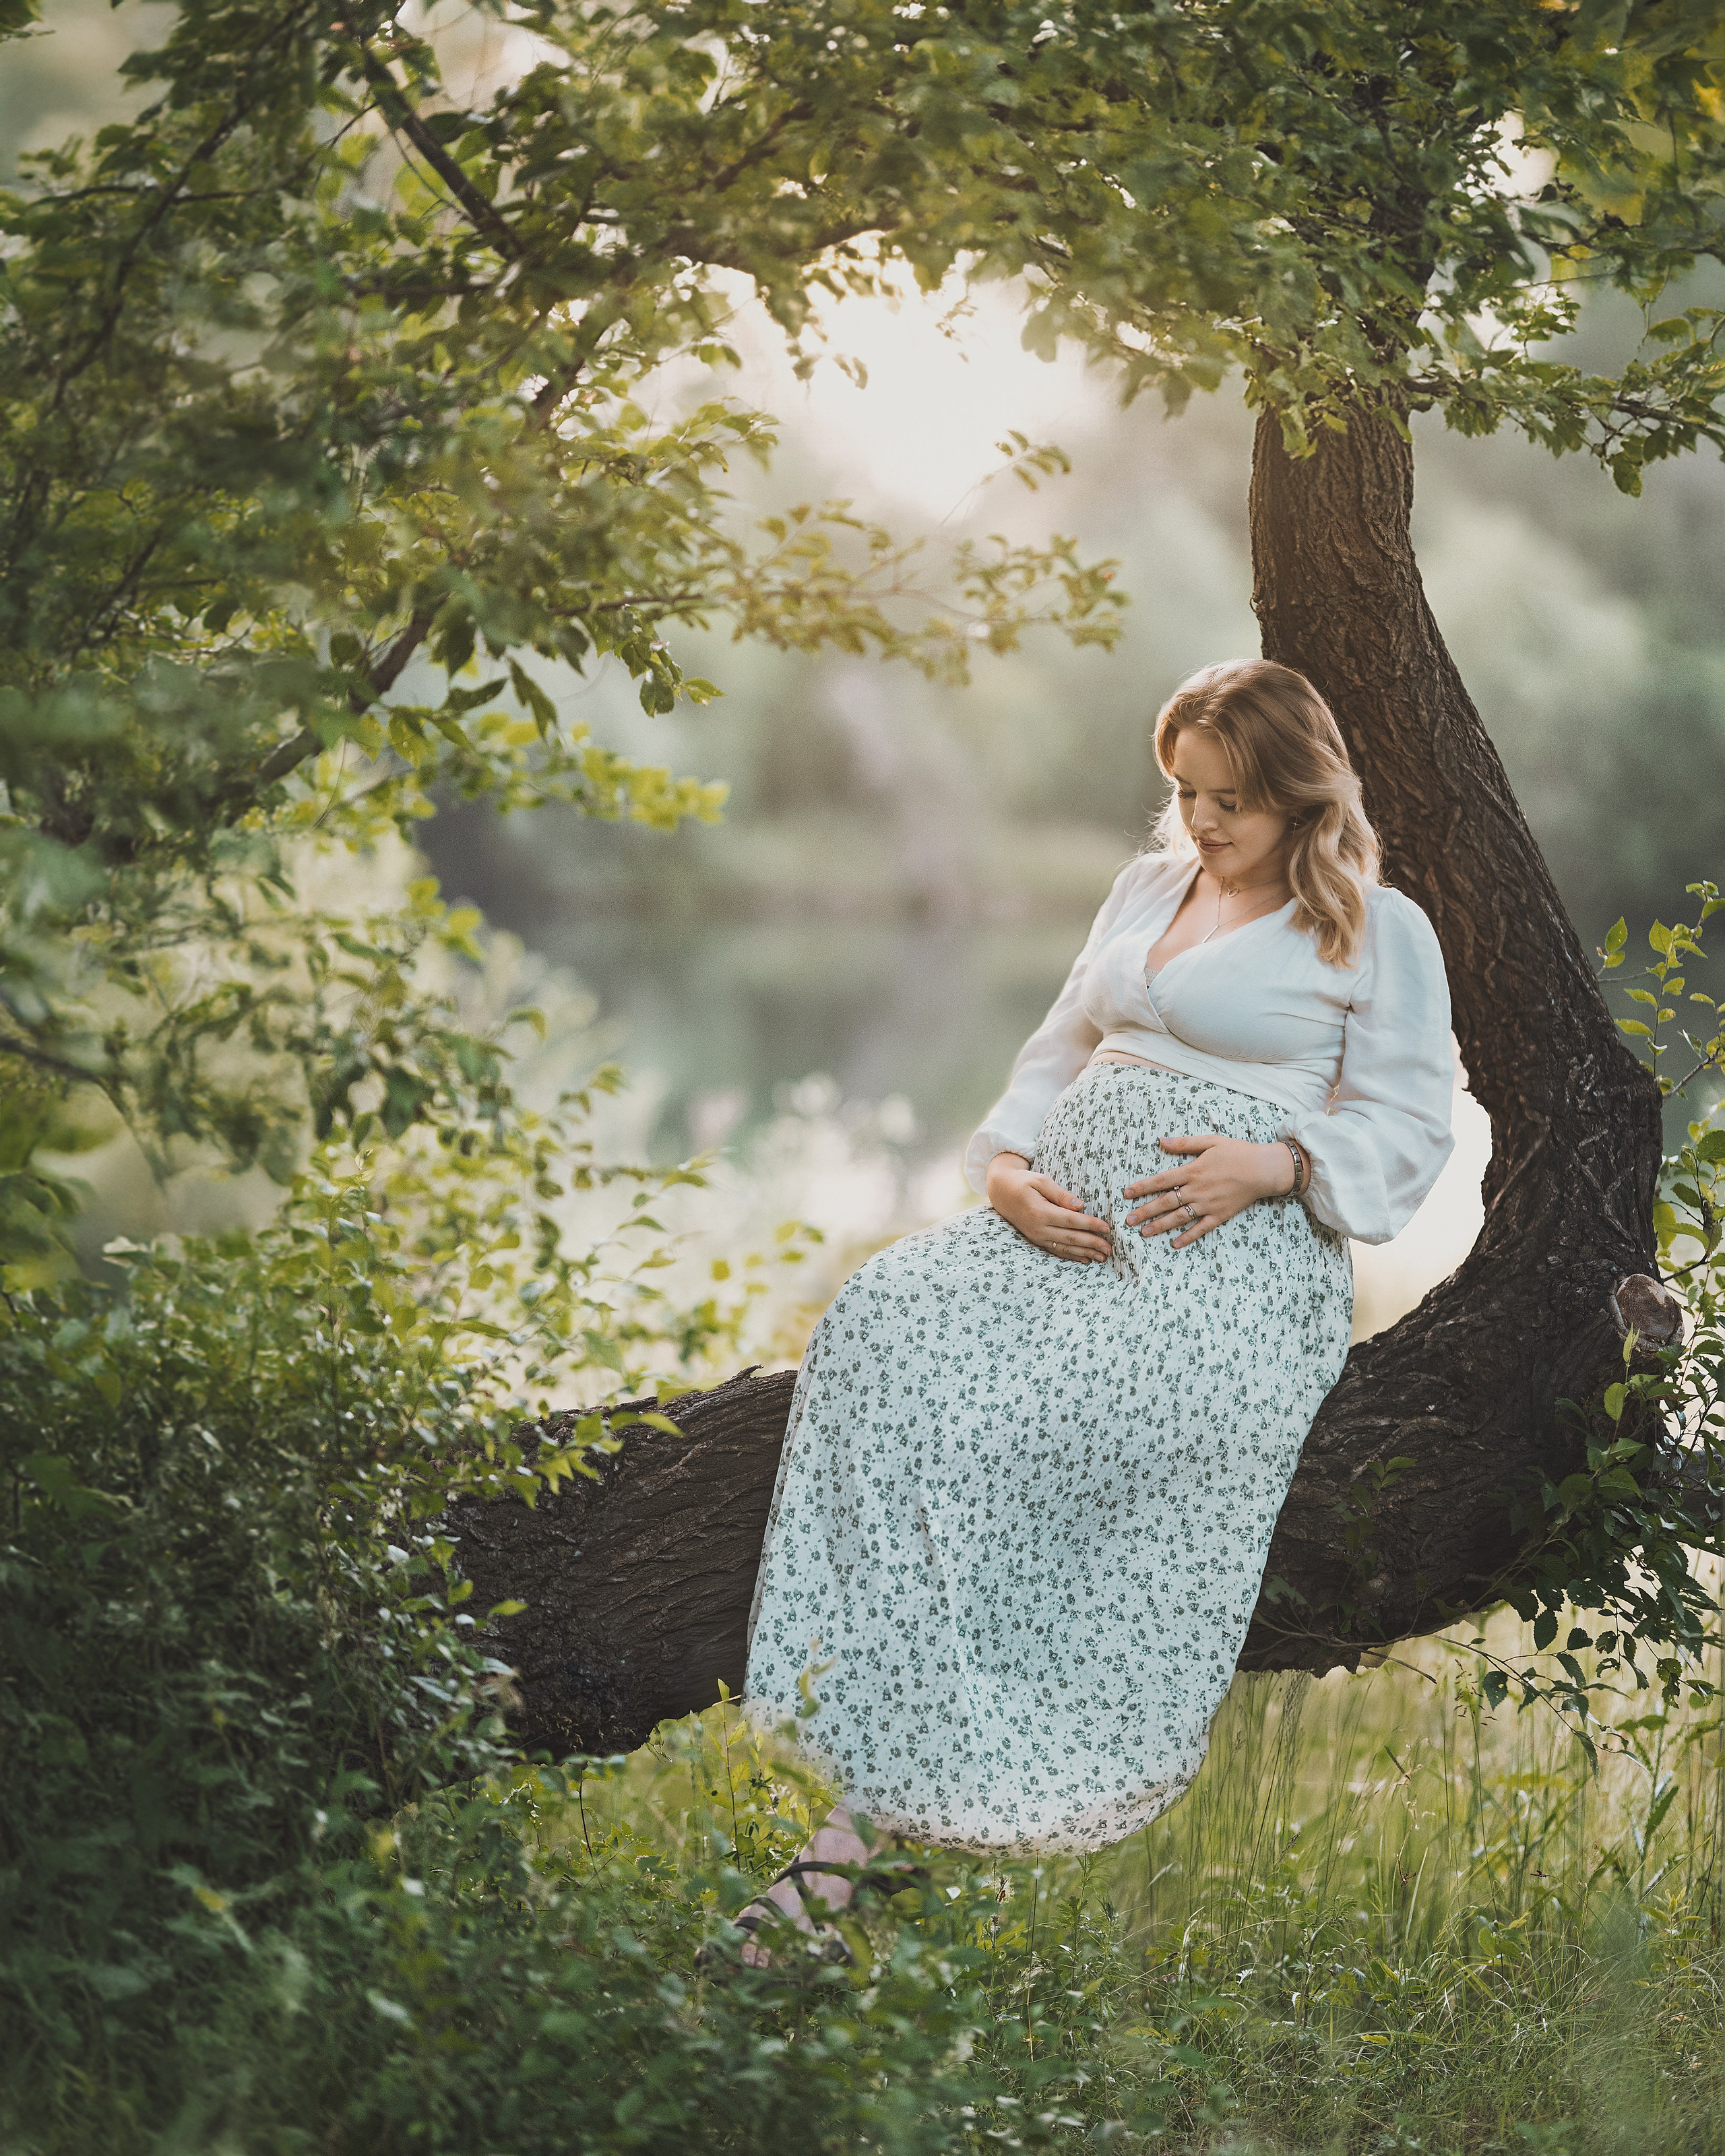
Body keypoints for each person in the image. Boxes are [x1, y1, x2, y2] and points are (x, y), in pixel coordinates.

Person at [727, 658, 1455, 1963]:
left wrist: (1278, 1166)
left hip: (1220, 1259)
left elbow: (1406, 1124)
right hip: (1050, 1230)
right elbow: (1056, 1049)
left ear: (1298, 793)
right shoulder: (1144, 887)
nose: (1200, 821)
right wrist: (1005, 1176)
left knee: (1025, 1437)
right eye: (1181, 791)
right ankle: (906, 1758)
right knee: (878, 1324)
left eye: (1228, 798)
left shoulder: (1371, 926)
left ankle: (854, 1853)